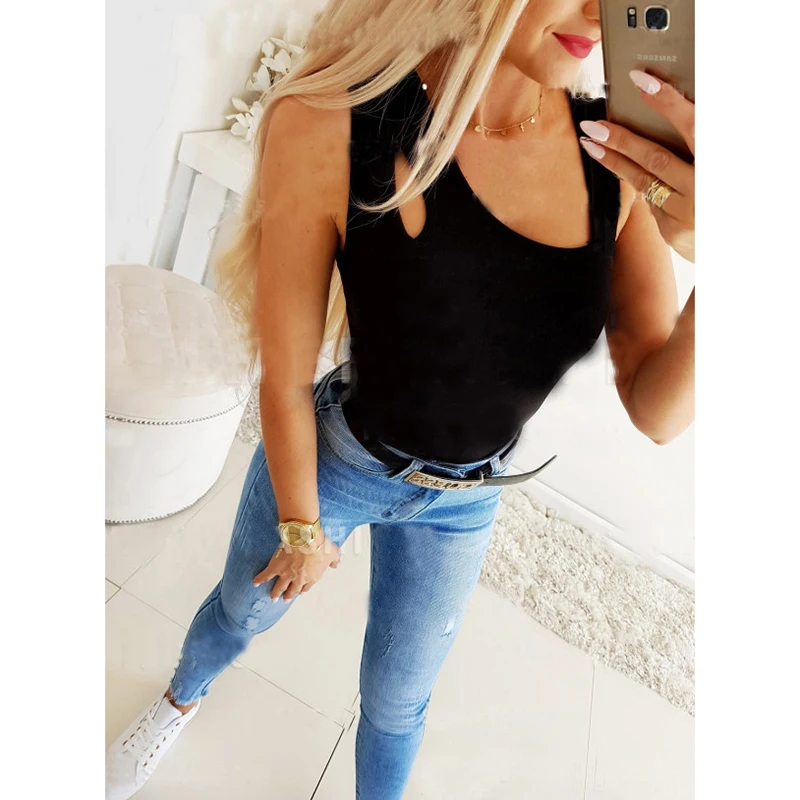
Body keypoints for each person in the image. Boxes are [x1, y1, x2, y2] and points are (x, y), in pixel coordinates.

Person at [106, 0, 695, 797]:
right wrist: (301, 526)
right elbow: (285, 375)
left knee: (398, 701)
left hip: (468, 500)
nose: (598, 11)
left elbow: (660, 413)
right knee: (244, 611)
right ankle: (182, 695)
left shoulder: (616, 158)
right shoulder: (333, 122)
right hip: (340, 463)